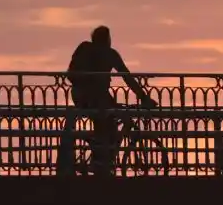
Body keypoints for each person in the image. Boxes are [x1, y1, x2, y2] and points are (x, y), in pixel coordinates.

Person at [66, 25, 156, 175]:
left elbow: (71, 72)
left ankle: (101, 159)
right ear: (107, 39)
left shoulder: (84, 48)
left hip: (79, 95)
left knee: (106, 122)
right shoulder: (110, 54)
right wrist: (144, 98)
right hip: (96, 96)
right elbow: (127, 77)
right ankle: (101, 162)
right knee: (109, 122)